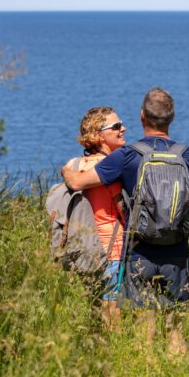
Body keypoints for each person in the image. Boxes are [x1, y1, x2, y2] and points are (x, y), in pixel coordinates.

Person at [62, 87, 189, 356]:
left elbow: (76, 181)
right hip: (178, 253)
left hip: (138, 252)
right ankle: (177, 376)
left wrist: (67, 168)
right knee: (174, 329)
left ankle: (145, 374)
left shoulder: (128, 156)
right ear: (172, 117)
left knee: (143, 331)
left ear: (142, 116)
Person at [66, 106, 126, 331]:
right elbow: (123, 210)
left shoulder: (75, 165)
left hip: (84, 246)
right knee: (112, 309)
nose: (123, 129)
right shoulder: (107, 169)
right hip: (112, 247)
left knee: (93, 306)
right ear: (99, 135)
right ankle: (116, 352)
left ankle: (95, 348)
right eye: (117, 126)